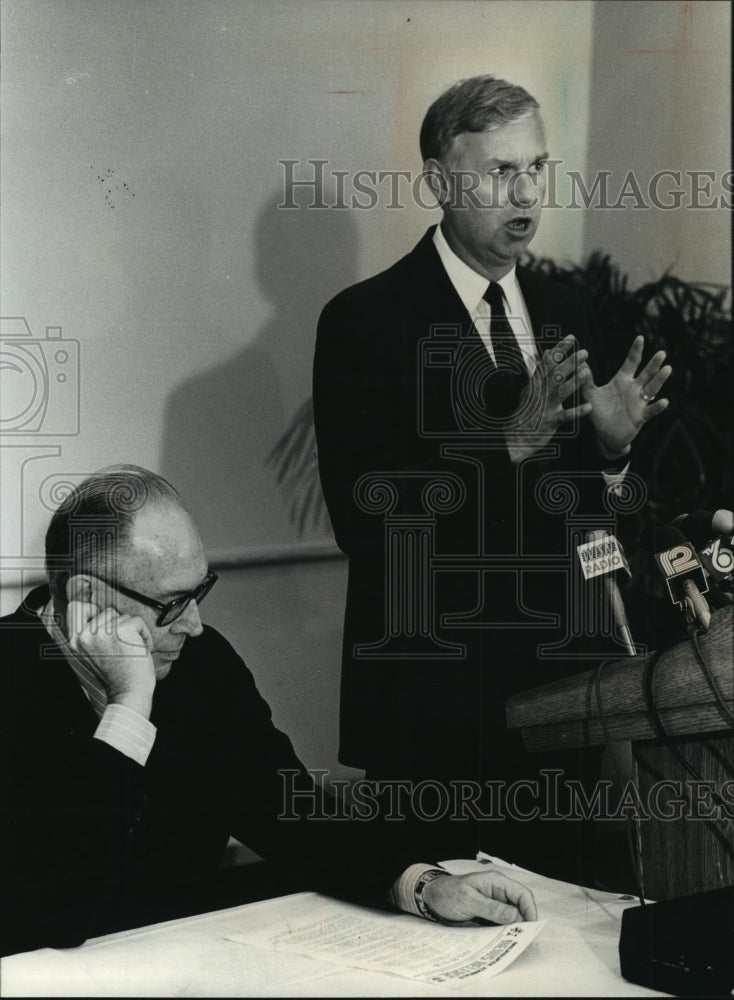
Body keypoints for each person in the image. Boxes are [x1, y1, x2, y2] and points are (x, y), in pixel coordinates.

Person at [313, 75, 672, 879]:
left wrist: (612, 454)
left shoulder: (566, 306)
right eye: (499, 171)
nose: (526, 193)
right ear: (440, 182)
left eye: (536, 168)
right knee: (437, 928)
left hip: (562, 699)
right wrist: (501, 444)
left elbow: (585, 518)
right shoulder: (364, 322)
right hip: (432, 710)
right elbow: (363, 521)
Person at [0, 464, 537, 957]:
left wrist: (425, 886)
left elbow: (292, 816)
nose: (194, 625)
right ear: (88, 598)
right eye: (173, 603)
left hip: (184, 966)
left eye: (200, 592)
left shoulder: (203, 665)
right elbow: (58, 914)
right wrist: (129, 706)